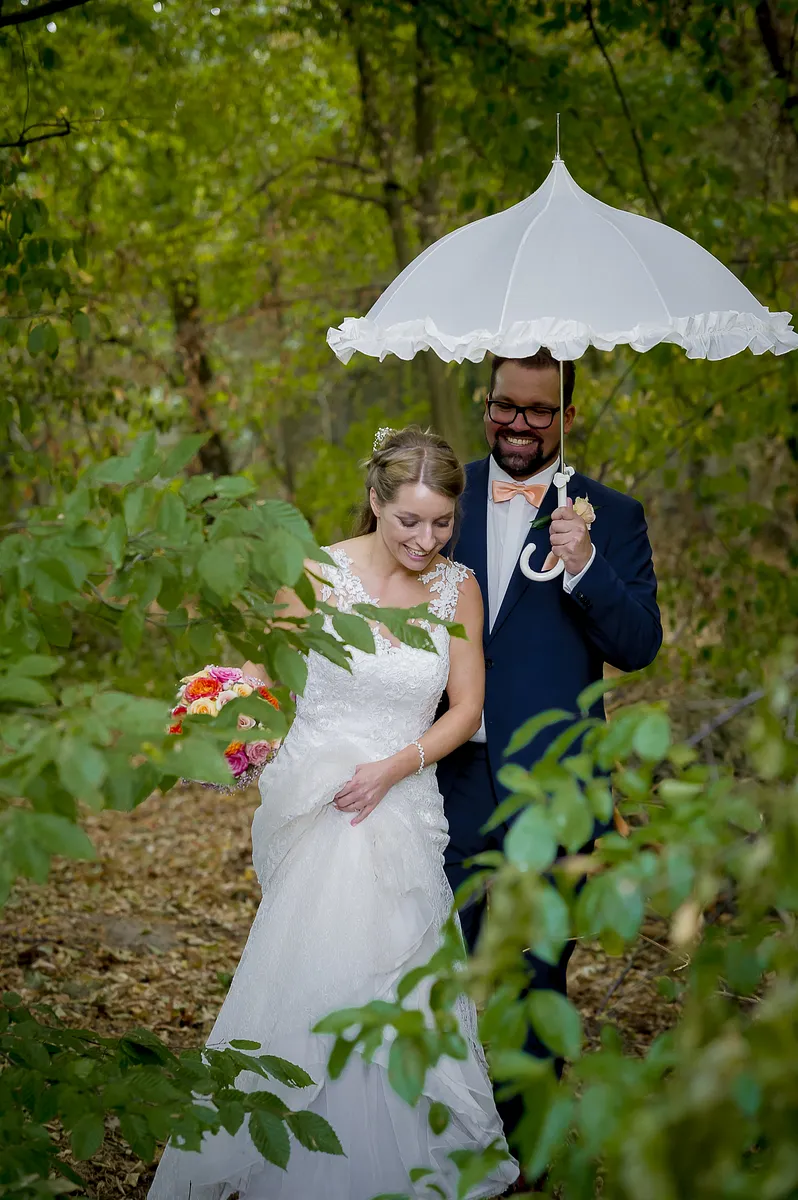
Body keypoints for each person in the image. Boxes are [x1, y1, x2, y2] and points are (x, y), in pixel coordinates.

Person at [147, 426, 518, 1200]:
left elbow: (467, 708)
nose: (426, 538)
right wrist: (225, 726)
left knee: (395, 972)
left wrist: (393, 766)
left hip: (400, 799)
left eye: (442, 521)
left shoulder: (459, 589)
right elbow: (265, 674)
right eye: (409, 519)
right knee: (309, 972)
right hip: (316, 805)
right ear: (375, 502)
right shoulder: (315, 573)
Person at [437, 350, 662, 1144]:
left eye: (538, 410)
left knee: (539, 969)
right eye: (505, 405)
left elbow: (639, 646)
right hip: (447, 772)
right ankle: (437, 1138)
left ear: (568, 417)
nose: (519, 425)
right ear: (486, 402)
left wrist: (585, 565)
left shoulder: (614, 514)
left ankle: (523, 1147)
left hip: (555, 789)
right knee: (438, 959)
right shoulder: (443, 497)